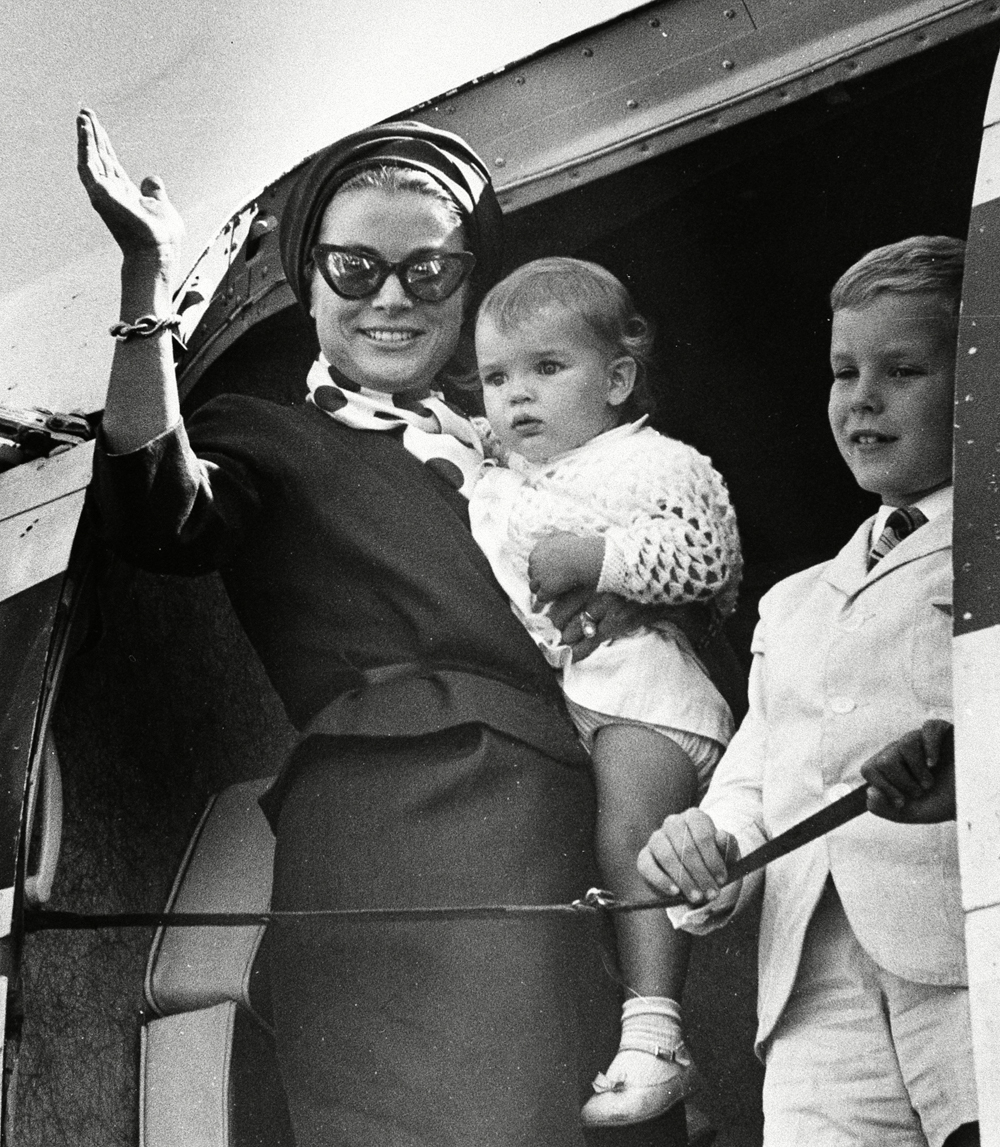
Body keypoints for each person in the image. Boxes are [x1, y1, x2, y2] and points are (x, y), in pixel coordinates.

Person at [76, 109, 693, 1147]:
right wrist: (147, 291)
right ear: (309, 280)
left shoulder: (534, 446)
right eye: (355, 269)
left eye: (429, 270)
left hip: (575, 824)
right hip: (403, 827)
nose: (393, 299)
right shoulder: (264, 434)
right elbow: (157, 513)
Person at [638, 235, 978, 1147]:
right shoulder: (793, 603)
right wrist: (705, 850)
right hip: (810, 995)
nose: (862, 397)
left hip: (970, 962)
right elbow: (754, 785)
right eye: (843, 370)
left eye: (903, 369)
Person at [467, 257, 741, 1128]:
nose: (519, 397)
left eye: (549, 370)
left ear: (618, 378)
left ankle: (657, 1031)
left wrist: (604, 562)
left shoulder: (650, 461)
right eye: (498, 378)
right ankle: (672, 1086)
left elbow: (709, 555)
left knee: (631, 835)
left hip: (649, 698)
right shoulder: (508, 482)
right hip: (576, 709)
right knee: (592, 867)